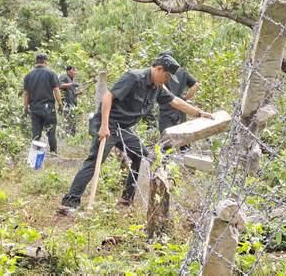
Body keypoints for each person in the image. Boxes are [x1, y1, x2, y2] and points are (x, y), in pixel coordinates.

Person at [59, 54, 213, 212]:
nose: (167, 80)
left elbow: (175, 101)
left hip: (125, 128)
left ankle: (126, 198)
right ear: (158, 69)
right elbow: (108, 97)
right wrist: (104, 126)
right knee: (94, 161)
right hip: (109, 124)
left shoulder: (157, 87)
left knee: (141, 156)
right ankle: (70, 202)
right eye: (166, 76)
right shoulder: (134, 77)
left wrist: (199, 113)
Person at [157, 51, 200, 152]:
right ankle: (186, 163)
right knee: (184, 141)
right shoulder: (182, 72)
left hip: (166, 110)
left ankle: (164, 165)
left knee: (165, 143)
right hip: (181, 110)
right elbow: (195, 85)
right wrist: (185, 98)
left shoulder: (162, 72)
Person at [23, 53, 63, 153]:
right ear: (45, 61)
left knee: (36, 133)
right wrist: (60, 104)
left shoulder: (28, 75)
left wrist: (25, 108)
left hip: (34, 108)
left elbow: (26, 94)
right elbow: (56, 90)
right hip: (48, 108)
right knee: (51, 131)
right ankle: (53, 152)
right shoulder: (51, 73)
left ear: (36, 61)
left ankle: (34, 154)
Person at [59, 65, 81, 135]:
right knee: (67, 123)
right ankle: (66, 138)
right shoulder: (64, 77)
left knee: (73, 123)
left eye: (75, 70)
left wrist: (78, 93)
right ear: (68, 71)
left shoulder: (71, 80)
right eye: (73, 70)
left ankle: (72, 138)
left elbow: (72, 94)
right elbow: (59, 85)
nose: (75, 72)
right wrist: (72, 84)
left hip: (72, 106)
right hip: (66, 105)